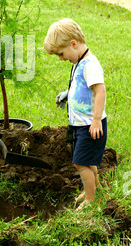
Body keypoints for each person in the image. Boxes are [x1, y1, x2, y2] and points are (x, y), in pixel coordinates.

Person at [44, 18, 107, 210]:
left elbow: (100, 91)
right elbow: (82, 88)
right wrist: (67, 96)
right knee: (88, 161)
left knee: (80, 163)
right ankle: (94, 188)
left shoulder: (90, 65)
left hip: (90, 125)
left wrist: (96, 120)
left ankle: (90, 199)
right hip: (80, 124)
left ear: (73, 43)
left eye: (61, 54)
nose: (61, 58)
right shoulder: (78, 61)